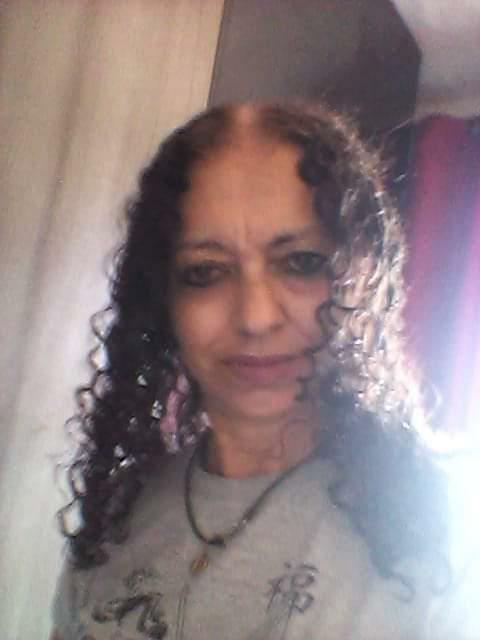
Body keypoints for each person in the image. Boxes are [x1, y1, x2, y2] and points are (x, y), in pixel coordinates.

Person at [51, 103, 479, 640]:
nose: (255, 317)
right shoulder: (118, 520)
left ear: (362, 279)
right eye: (205, 272)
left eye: (301, 262)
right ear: (164, 302)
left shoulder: (455, 530)